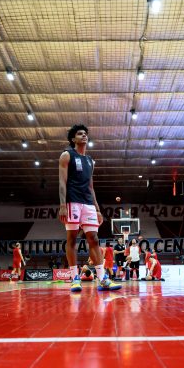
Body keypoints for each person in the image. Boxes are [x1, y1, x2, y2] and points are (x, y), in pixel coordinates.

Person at [58, 124, 120, 293]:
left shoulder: (90, 161)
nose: (84, 135)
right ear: (73, 139)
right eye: (80, 134)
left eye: (85, 133)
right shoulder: (66, 155)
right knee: (72, 239)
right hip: (72, 202)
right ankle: (74, 278)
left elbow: (91, 187)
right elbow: (62, 181)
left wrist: (97, 209)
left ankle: (103, 279)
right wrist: (62, 205)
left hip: (88, 203)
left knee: (94, 239)